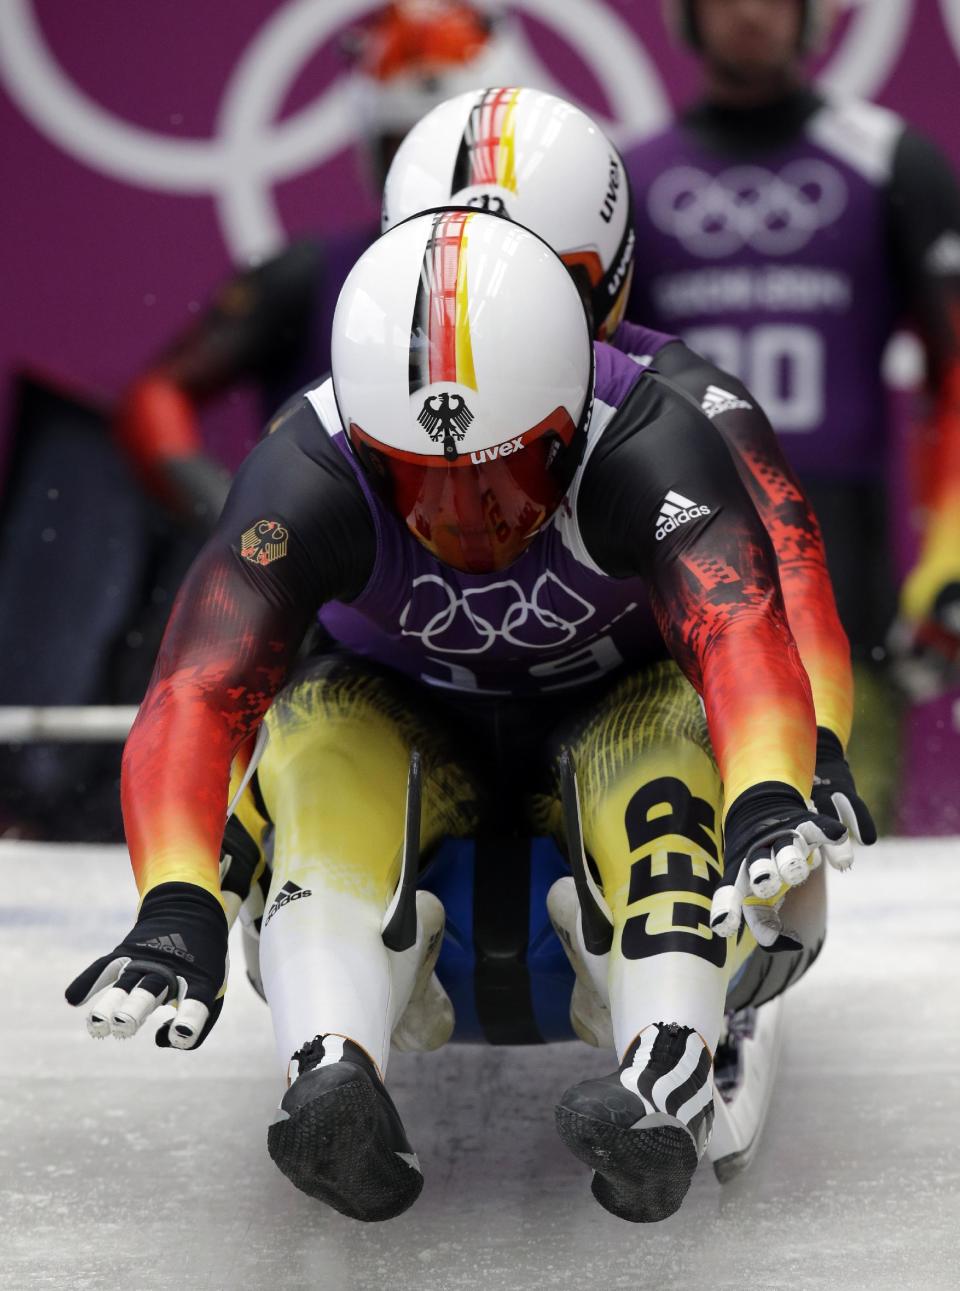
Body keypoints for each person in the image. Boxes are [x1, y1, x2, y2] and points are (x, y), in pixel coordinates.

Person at [65, 208, 874, 1225]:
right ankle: (332, 1072)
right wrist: (178, 903)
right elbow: (197, 690)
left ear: (570, 419)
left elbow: (742, 630)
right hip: (410, 724)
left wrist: (767, 793)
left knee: (668, 738)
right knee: (313, 733)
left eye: (501, 472)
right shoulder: (305, 471)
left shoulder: (655, 435)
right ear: (364, 435)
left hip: (613, 719)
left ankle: (660, 1074)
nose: (463, 519)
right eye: (419, 478)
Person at [624, 0, 960, 824]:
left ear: (815, 15)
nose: (751, 12)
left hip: (844, 582)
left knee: (836, 850)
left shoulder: (891, 163)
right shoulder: (630, 178)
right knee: (675, 851)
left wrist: (950, 557)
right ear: (687, 17)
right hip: (667, 579)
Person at [113, 0, 516, 529]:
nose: (427, 169)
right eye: (406, 145)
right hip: (328, 584)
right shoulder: (308, 273)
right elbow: (158, 394)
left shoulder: (545, 273)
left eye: (448, 145)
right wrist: (225, 507)